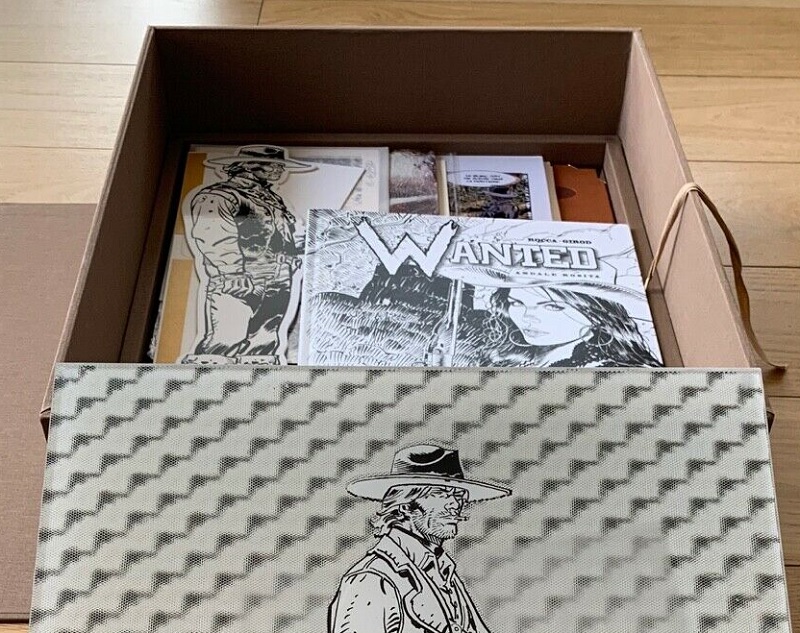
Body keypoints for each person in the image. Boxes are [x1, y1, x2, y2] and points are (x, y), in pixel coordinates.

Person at [329, 445, 511, 633]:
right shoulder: (371, 579)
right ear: (404, 505)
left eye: (458, 494)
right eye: (441, 493)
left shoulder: (445, 571)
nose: (455, 504)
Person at [181, 145, 313, 365]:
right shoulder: (218, 196)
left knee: (264, 341)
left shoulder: (273, 200)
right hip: (240, 279)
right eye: (273, 165)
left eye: (280, 165)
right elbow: (213, 235)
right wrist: (232, 272)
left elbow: (288, 235)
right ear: (248, 166)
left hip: (279, 278)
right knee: (226, 339)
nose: (279, 170)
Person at [477, 283, 662, 367]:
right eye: (516, 303)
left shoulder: (611, 370)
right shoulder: (513, 358)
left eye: (552, 306)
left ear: (597, 313)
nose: (526, 317)